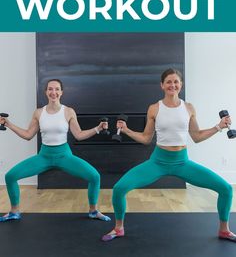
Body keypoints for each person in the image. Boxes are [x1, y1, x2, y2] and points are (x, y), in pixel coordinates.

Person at [102, 68, 235, 242]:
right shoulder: (154, 108)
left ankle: (224, 230)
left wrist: (218, 127)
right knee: (119, 189)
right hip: (158, 162)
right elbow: (146, 138)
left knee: (226, 188)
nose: (172, 85)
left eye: (176, 82)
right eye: (169, 82)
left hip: (182, 162)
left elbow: (196, 136)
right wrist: (126, 130)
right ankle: (118, 228)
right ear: (162, 85)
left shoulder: (188, 108)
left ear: (181, 85)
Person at [0, 79, 110, 222]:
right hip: (44, 156)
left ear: (61, 92)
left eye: (57, 89)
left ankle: (93, 211)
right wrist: (8, 124)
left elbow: (79, 135)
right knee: (10, 176)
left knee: (94, 176)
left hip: (64, 156)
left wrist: (98, 128)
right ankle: (14, 212)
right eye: (50, 89)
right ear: (46, 92)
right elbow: (28, 135)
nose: (53, 92)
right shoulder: (39, 113)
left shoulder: (68, 111)